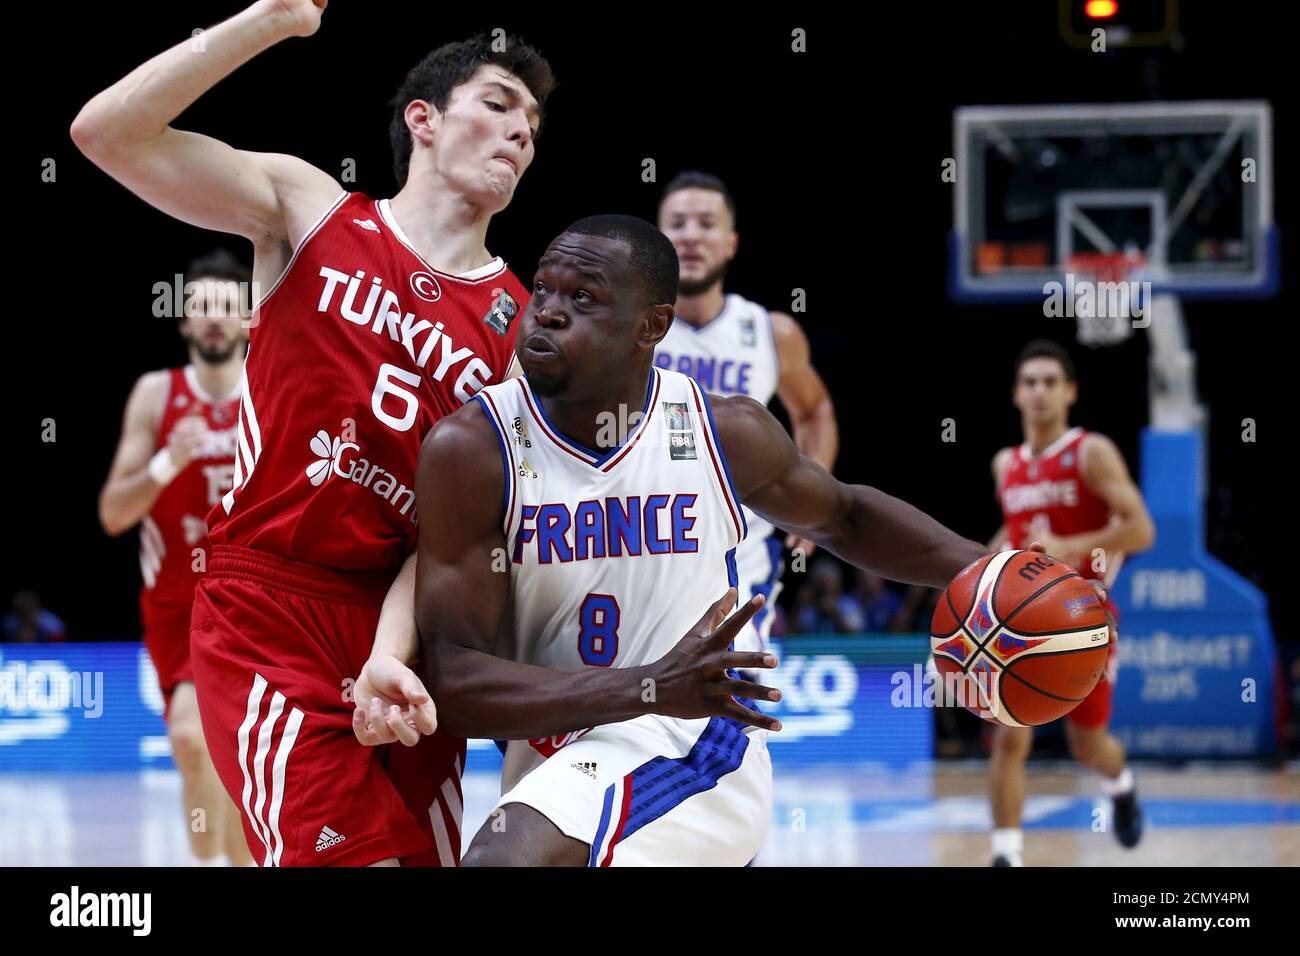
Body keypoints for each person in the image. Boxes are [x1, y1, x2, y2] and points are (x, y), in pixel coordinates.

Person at [72, 0, 554, 865]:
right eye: (499, 102)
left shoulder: (521, 332)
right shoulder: (314, 212)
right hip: (269, 606)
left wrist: (389, 652)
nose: (521, 129)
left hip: (402, 636)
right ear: (425, 119)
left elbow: (459, 529)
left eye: (533, 122)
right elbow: (108, 132)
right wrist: (269, 21)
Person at [360, 215, 991, 865]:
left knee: (503, 858)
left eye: (582, 298)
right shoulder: (474, 450)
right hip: (565, 739)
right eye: (543, 289)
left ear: (651, 327)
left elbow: (847, 516)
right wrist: (645, 684)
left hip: (698, 731)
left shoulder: (722, 430)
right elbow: (458, 683)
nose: (546, 312)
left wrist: (987, 568)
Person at [99, 249, 252, 866]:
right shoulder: (156, 394)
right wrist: (169, 462)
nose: (213, 319)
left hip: (253, 598)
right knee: (191, 739)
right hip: (179, 606)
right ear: (185, 322)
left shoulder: (272, 390)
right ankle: (209, 864)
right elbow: (113, 513)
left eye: (226, 307)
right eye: (200, 309)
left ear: (248, 320)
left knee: (247, 752)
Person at [986, 339, 1156, 866]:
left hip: (1087, 619)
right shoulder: (1005, 463)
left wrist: (1071, 549)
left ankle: (1121, 783)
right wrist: (975, 575)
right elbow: (1014, 534)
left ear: (1070, 392)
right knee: (1009, 739)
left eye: (1050, 382)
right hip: (1021, 623)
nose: (1039, 392)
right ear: (1016, 394)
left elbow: (1141, 528)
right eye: (1030, 382)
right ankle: (1006, 855)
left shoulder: (1090, 451)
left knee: (1088, 747)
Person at [654, 172, 838, 655]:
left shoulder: (769, 331)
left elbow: (816, 409)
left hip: (742, 546)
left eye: (706, 223)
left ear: (731, 242)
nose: (691, 234)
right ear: (658, 239)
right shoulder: (628, 327)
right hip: (643, 536)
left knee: (733, 687)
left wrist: (810, 492)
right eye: (678, 222)